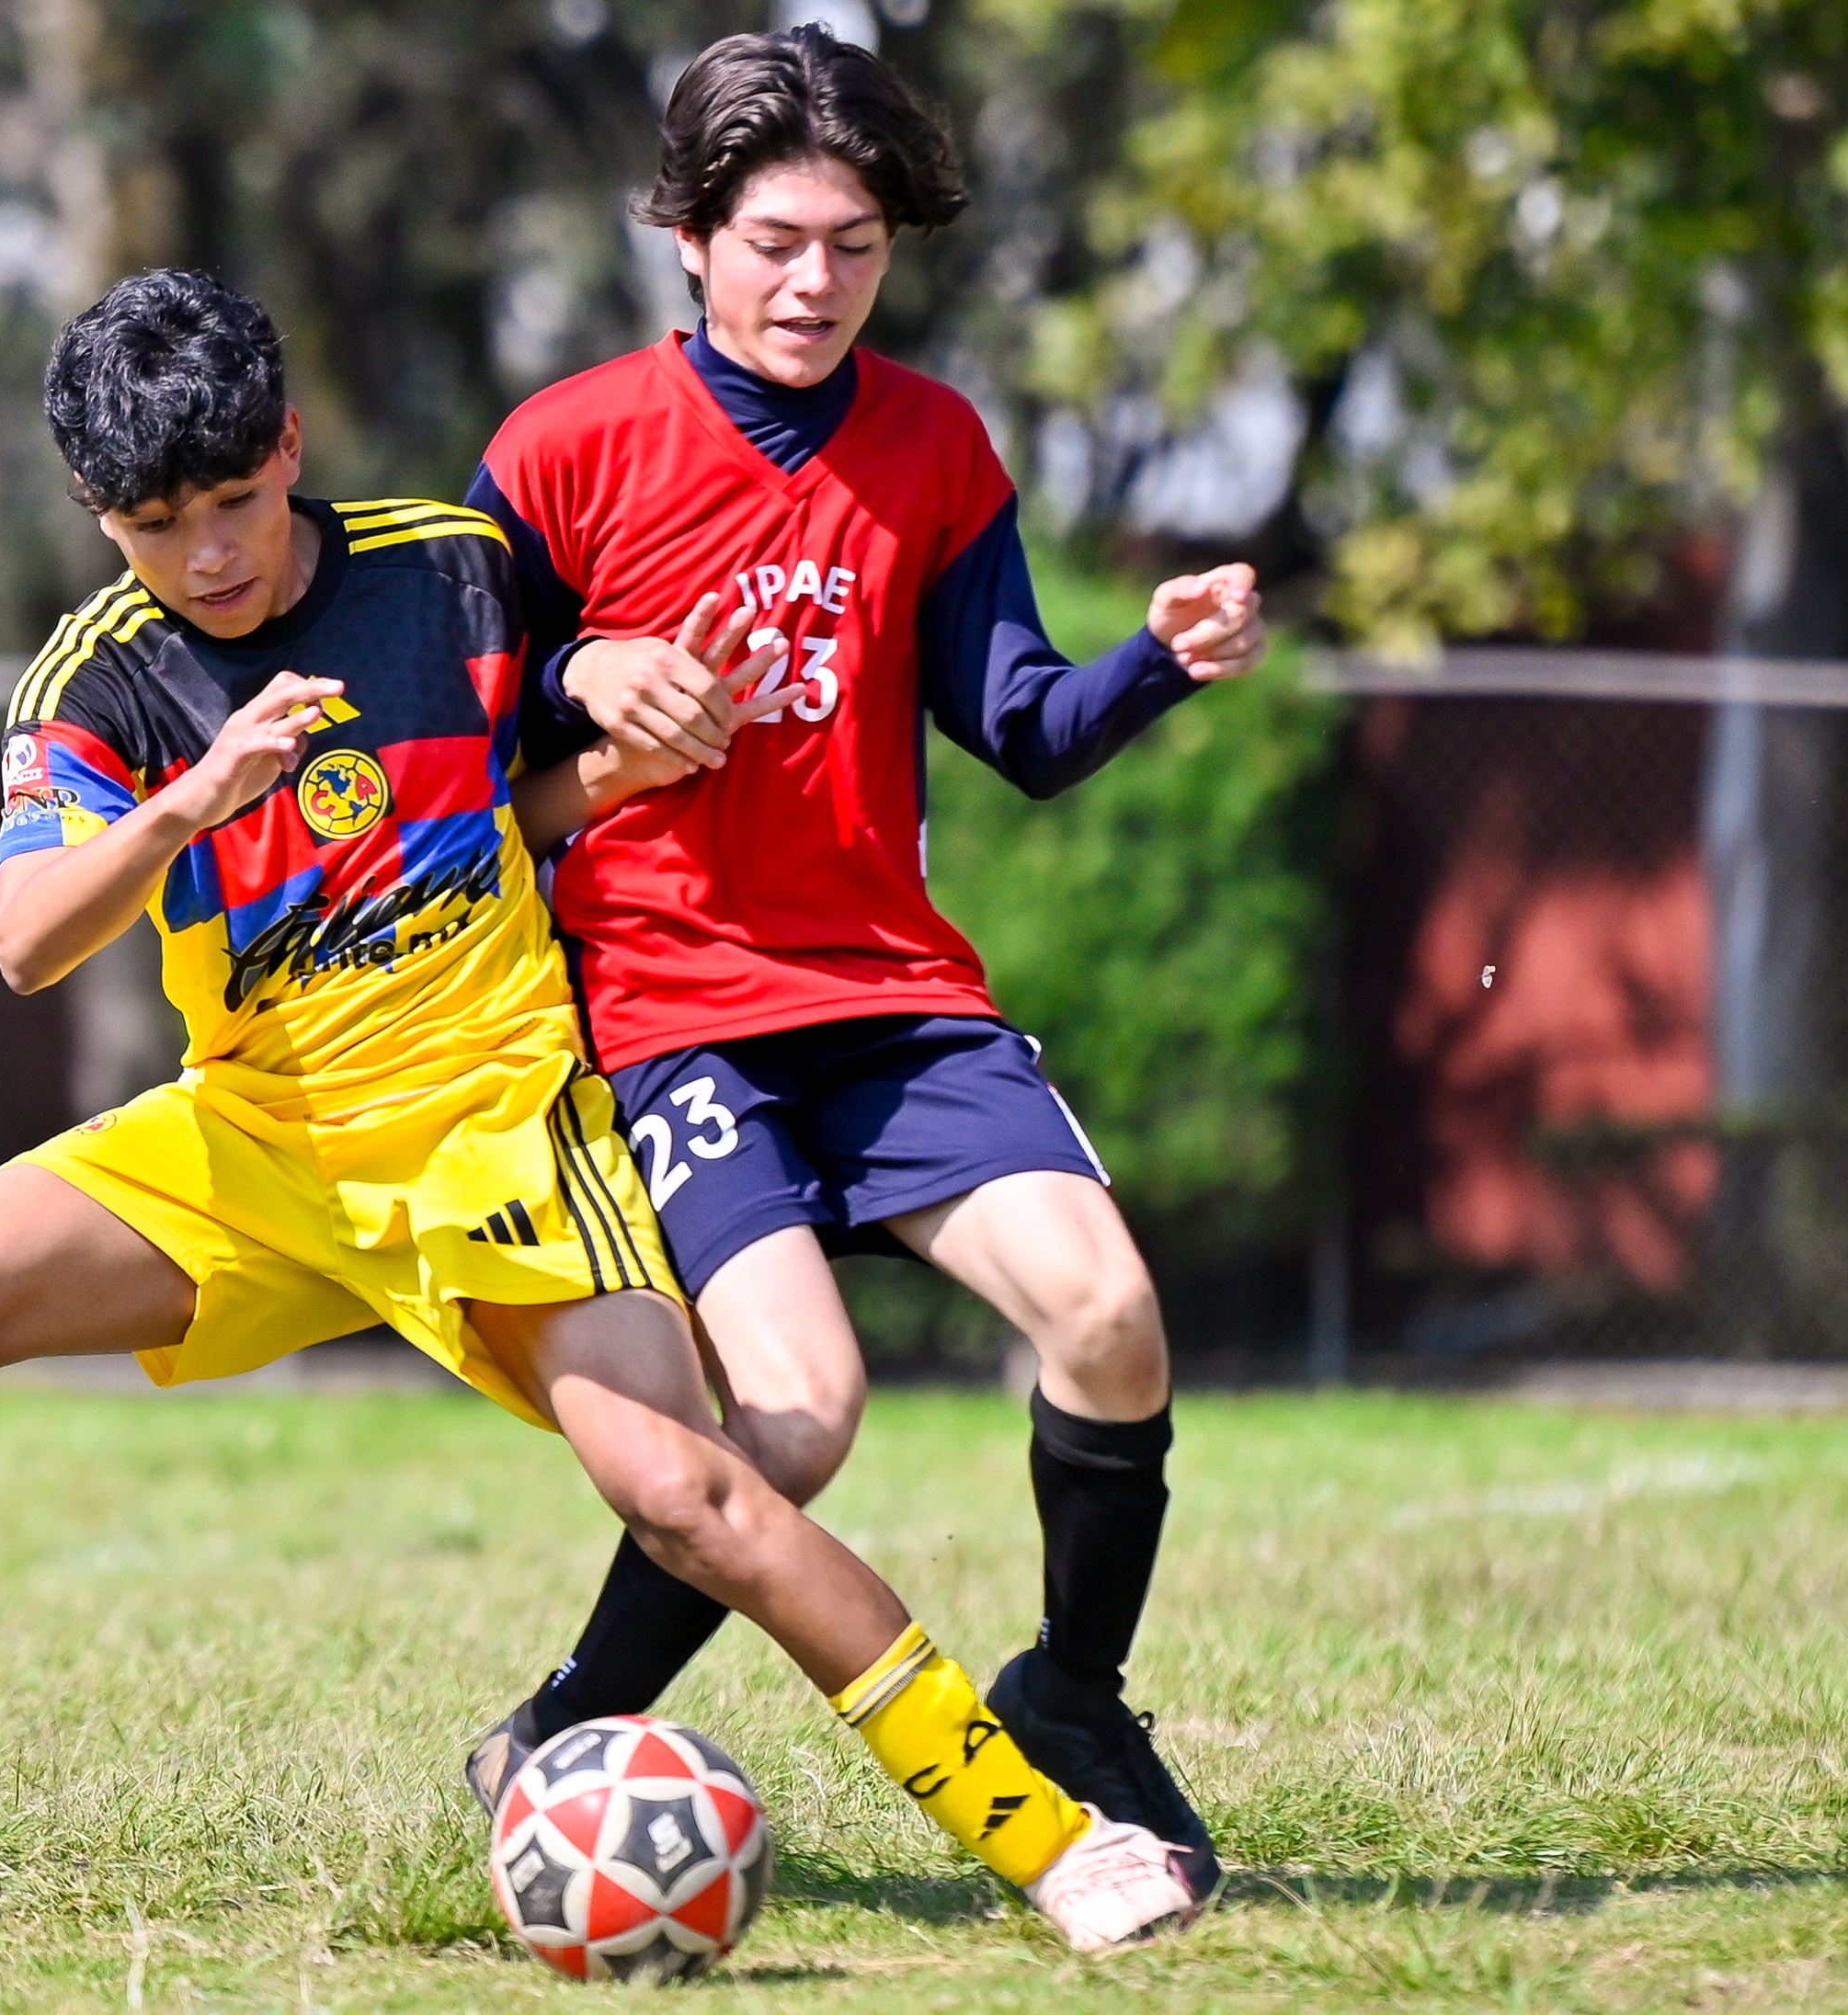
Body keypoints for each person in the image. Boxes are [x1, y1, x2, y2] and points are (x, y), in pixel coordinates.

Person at [0, 268, 1200, 1951]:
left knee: (699, 1495)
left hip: (503, 1126)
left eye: (234, 501)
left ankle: (1050, 1840)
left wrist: (617, 740)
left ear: (290, 446)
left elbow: (537, 767)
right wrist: (196, 802)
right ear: (98, 515)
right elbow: (24, 941)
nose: (208, 554)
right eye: (156, 525)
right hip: (262, 1138)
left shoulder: (453, 570)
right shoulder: (99, 683)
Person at [460, 26, 1270, 1902]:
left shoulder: (938, 445)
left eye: (852, 247)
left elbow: (1032, 728)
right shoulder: (560, 452)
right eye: (772, 242)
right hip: (669, 1012)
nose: (813, 281)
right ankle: (565, 1730)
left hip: (891, 992)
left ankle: (1071, 1693)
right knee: (803, 1421)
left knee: (1111, 1317)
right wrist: (584, 690)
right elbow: (455, 773)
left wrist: (1155, 655)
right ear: (683, 235)